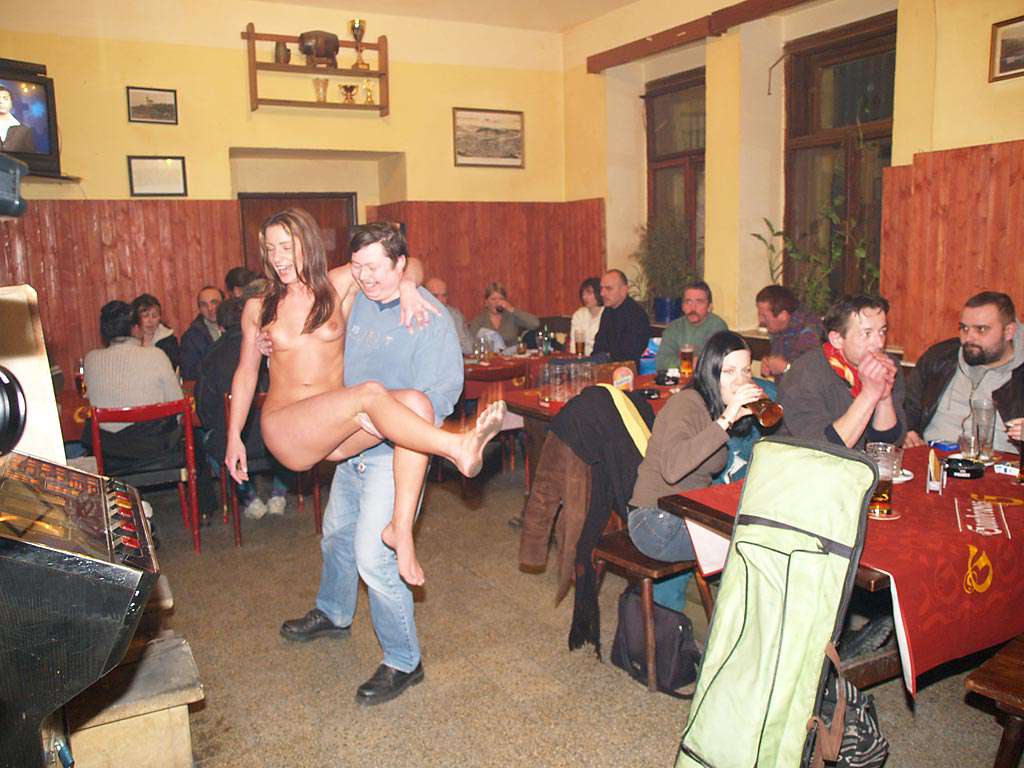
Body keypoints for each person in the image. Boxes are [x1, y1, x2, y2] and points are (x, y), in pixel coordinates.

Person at [226, 209, 505, 588]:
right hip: (288, 426)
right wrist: (234, 436)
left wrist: (409, 286)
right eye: (271, 249)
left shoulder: (337, 284)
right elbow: (245, 373)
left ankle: (400, 530)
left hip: (337, 428)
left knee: (416, 404)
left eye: (286, 247)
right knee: (371, 393)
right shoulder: (259, 306)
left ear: (307, 244)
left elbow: (406, 263)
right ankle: (455, 446)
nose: (278, 258)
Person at [628, 331, 766, 564]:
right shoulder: (686, 402)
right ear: (711, 372)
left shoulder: (715, 407)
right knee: (755, 545)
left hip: (685, 513)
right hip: (655, 520)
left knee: (761, 531)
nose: (740, 381)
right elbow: (672, 469)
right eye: (729, 372)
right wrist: (727, 418)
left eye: (745, 371)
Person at [196, 297, 289, 519]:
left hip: (233, 441)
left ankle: (249, 497)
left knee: (205, 440)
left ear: (220, 328)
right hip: (273, 438)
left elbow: (204, 410)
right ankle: (279, 493)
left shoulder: (211, 357)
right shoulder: (273, 348)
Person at [778, 295, 905, 450]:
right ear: (837, 339)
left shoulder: (887, 365)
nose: (879, 343)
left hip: (862, 462)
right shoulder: (803, 377)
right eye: (867, 333)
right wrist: (869, 394)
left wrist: (884, 398)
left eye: (882, 331)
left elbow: (887, 445)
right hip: (803, 461)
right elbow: (824, 450)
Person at [904, 291, 1023, 452]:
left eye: (981, 329)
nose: (969, 338)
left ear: (1008, 331)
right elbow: (908, 404)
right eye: (964, 328)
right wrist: (907, 430)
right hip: (930, 458)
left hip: (997, 464)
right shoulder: (939, 357)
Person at [81, 300, 183, 469]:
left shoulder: (91, 360)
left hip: (110, 454)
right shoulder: (156, 355)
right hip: (154, 451)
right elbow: (177, 405)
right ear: (136, 328)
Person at [655, 280, 729, 371]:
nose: (693, 308)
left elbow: (711, 362)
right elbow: (660, 362)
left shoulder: (717, 326)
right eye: (688, 302)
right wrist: (687, 363)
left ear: (709, 307)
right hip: (678, 378)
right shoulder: (674, 327)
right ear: (682, 306)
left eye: (699, 302)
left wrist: (679, 362)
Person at [755, 284, 825, 378]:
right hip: (784, 385)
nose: (760, 320)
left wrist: (786, 368)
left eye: (764, 316)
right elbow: (780, 364)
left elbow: (815, 377)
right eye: (759, 314)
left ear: (783, 315)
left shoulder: (810, 332)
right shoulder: (778, 327)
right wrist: (769, 364)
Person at [592, 269, 650, 364]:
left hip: (626, 369)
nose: (602, 293)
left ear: (623, 290)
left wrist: (606, 356)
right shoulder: (608, 311)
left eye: (608, 288)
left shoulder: (636, 315)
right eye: (601, 288)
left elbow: (629, 355)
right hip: (605, 365)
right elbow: (599, 345)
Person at [467, 281, 539, 347]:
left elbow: (535, 324)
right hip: (489, 355)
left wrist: (511, 308)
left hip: (512, 355)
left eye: (501, 298)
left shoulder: (511, 316)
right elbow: (471, 344)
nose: (497, 302)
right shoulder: (479, 321)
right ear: (486, 302)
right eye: (493, 299)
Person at [180, 285, 225, 380]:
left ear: (224, 304)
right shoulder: (190, 337)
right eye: (204, 305)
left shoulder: (237, 329)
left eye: (214, 302)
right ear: (199, 309)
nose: (210, 308)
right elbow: (188, 372)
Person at [131, 293, 181, 372]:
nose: (150, 321)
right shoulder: (128, 341)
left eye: (154, 316)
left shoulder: (169, 342)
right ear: (136, 318)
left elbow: (172, 369)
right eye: (145, 316)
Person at [425, 276, 472, 354]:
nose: (440, 300)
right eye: (435, 296)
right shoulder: (416, 316)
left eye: (444, 295)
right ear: (424, 296)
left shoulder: (455, 316)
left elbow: (469, 348)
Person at [569, 276, 604, 356]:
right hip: (581, 357)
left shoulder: (607, 313)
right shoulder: (579, 315)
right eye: (583, 294)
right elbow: (573, 343)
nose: (585, 297)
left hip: (600, 357)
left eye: (589, 294)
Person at [0, 86, 38, 153]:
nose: (1, 102)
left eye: (5, 99)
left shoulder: (24, 130)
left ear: (11, 103)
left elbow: (31, 156)